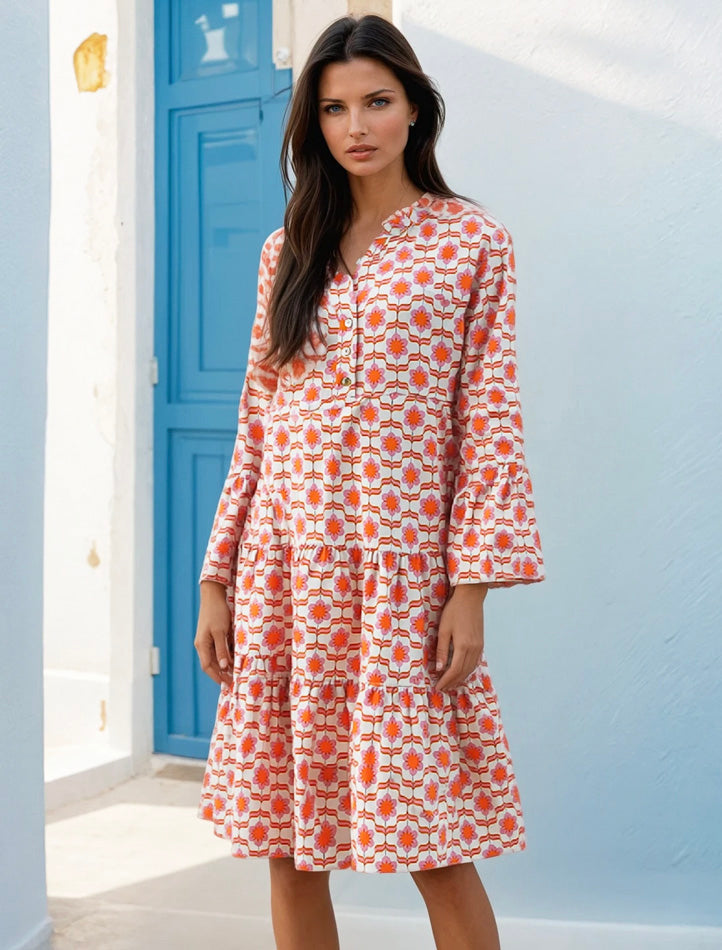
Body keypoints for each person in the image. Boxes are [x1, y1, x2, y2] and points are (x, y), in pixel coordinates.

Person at [194, 13, 545, 950]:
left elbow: (488, 424)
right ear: (313, 122)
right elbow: (256, 423)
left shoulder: (471, 244)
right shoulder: (286, 252)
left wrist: (470, 590)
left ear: (415, 108)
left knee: (437, 841)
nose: (356, 126)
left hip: (401, 583)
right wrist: (217, 576)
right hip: (285, 577)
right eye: (334, 108)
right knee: (288, 846)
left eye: (377, 102)